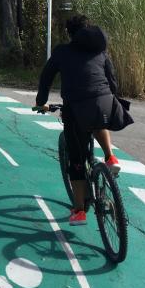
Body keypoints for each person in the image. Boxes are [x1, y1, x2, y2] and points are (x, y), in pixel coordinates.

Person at [34, 15, 121, 226]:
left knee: (76, 163)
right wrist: (110, 97)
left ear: (69, 33)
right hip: (106, 104)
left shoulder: (62, 52)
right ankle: (111, 158)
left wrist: (41, 102)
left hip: (77, 109)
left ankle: (80, 211)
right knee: (97, 120)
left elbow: (46, 78)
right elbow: (112, 80)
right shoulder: (99, 51)